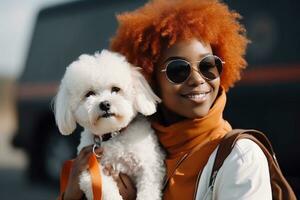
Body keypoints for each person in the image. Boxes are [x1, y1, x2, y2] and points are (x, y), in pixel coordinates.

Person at [60, 0, 273, 199]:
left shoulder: (241, 157)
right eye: (178, 70)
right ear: (152, 79)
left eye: (208, 65)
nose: (198, 80)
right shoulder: (143, 139)